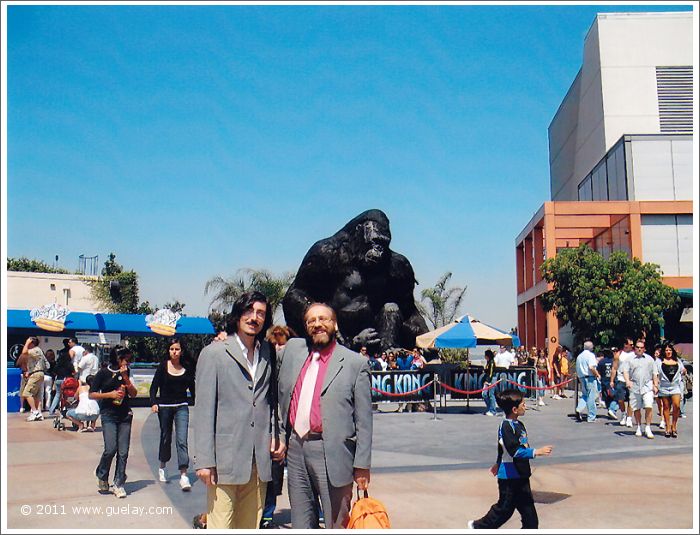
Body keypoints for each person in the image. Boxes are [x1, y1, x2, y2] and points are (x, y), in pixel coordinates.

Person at [192, 291, 284, 530]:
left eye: (260, 313)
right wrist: (204, 460)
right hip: (225, 462)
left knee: (249, 527)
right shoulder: (214, 354)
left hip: (259, 460)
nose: (254, 317)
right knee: (221, 525)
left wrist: (278, 436)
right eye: (249, 311)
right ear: (238, 315)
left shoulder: (268, 353)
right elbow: (203, 411)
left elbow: (271, 402)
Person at [277, 302, 373, 529]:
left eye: (323, 319)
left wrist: (362, 465)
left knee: (335, 522)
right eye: (311, 320)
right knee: (301, 521)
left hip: (332, 452)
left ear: (335, 324)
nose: (317, 324)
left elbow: (364, 421)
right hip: (296, 448)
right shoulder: (293, 351)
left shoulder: (354, 363)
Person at [468, 389, 553, 529]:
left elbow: (504, 448)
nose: (525, 406)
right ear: (514, 409)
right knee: (504, 510)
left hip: (521, 475)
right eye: (523, 404)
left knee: (530, 518)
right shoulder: (506, 426)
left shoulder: (519, 425)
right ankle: (478, 527)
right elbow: (514, 450)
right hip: (509, 477)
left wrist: (497, 462)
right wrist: (536, 452)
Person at [90, 345, 138, 498]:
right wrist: (109, 394)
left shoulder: (126, 372)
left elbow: (133, 394)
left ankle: (119, 483)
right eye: (126, 359)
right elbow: (92, 394)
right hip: (108, 414)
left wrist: (125, 377)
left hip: (124, 415)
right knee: (110, 449)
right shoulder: (103, 373)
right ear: (117, 358)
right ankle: (102, 474)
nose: (127, 363)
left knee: (123, 452)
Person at [150, 339, 196, 491]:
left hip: (181, 406)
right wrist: (154, 402)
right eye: (171, 349)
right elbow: (154, 387)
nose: (174, 352)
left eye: (177, 349)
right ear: (168, 351)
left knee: (182, 439)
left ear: (181, 351)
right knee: (166, 437)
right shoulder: (163, 367)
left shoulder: (187, 368)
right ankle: (163, 466)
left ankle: (183, 474)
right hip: (165, 407)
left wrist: (195, 401)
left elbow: (193, 387)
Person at [260, 325, 293, 529]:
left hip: (290, 424)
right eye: (276, 345)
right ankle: (267, 514)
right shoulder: (265, 366)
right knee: (271, 472)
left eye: (283, 344)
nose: (279, 349)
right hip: (271, 424)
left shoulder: (292, 365)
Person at [623, 339, 659, 439]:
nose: (639, 349)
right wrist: (627, 381)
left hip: (647, 385)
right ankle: (638, 426)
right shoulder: (629, 359)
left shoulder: (650, 359)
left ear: (644, 349)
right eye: (637, 347)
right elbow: (625, 371)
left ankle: (648, 427)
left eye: (641, 347)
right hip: (634, 385)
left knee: (649, 406)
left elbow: (654, 373)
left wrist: (655, 385)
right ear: (635, 348)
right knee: (636, 408)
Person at [656, 342, 686, 439]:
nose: (668, 352)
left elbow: (683, 370)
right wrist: (655, 385)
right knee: (666, 407)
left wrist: (684, 371)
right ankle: (668, 427)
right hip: (664, 387)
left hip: (675, 387)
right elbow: (655, 374)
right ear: (664, 352)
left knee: (676, 405)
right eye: (666, 350)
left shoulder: (677, 361)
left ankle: (674, 426)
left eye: (670, 350)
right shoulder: (660, 361)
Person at [21, 337, 49, 421]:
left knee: (26, 393)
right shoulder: (38, 350)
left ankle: (35, 412)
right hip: (37, 373)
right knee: (35, 395)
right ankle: (38, 413)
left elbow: (24, 353)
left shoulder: (35, 349)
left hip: (36, 374)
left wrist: (26, 343)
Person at [611, 338, 635, 427]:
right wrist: (612, 380)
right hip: (621, 379)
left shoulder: (634, 354)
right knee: (620, 399)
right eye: (631, 344)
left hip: (632, 380)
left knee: (631, 399)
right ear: (625, 345)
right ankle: (623, 413)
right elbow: (614, 368)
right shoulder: (619, 354)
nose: (632, 346)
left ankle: (629, 418)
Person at [575, 341, 601, 422]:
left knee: (585, 395)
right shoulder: (591, 355)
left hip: (582, 377)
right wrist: (597, 374)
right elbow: (591, 367)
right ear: (591, 347)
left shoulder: (579, 356)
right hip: (590, 377)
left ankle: (579, 408)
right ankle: (591, 416)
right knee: (591, 397)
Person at [48, 342, 76, 416]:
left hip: (58, 380)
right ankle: (67, 409)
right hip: (66, 381)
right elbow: (74, 372)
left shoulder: (58, 364)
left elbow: (54, 372)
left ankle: (51, 410)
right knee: (68, 395)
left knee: (57, 395)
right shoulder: (69, 364)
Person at [596, 348, 619, 419]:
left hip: (604, 382)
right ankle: (612, 409)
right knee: (616, 397)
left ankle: (610, 409)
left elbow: (598, 371)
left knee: (607, 397)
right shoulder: (614, 361)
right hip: (613, 382)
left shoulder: (601, 362)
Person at [481, 349, 499, 416]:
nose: (484, 356)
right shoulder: (488, 362)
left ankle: (493, 410)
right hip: (487, 378)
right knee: (484, 394)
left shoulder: (491, 362)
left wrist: (488, 381)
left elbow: (491, 373)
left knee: (491, 394)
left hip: (492, 379)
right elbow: (488, 371)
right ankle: (489, 408)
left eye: (485, 355)